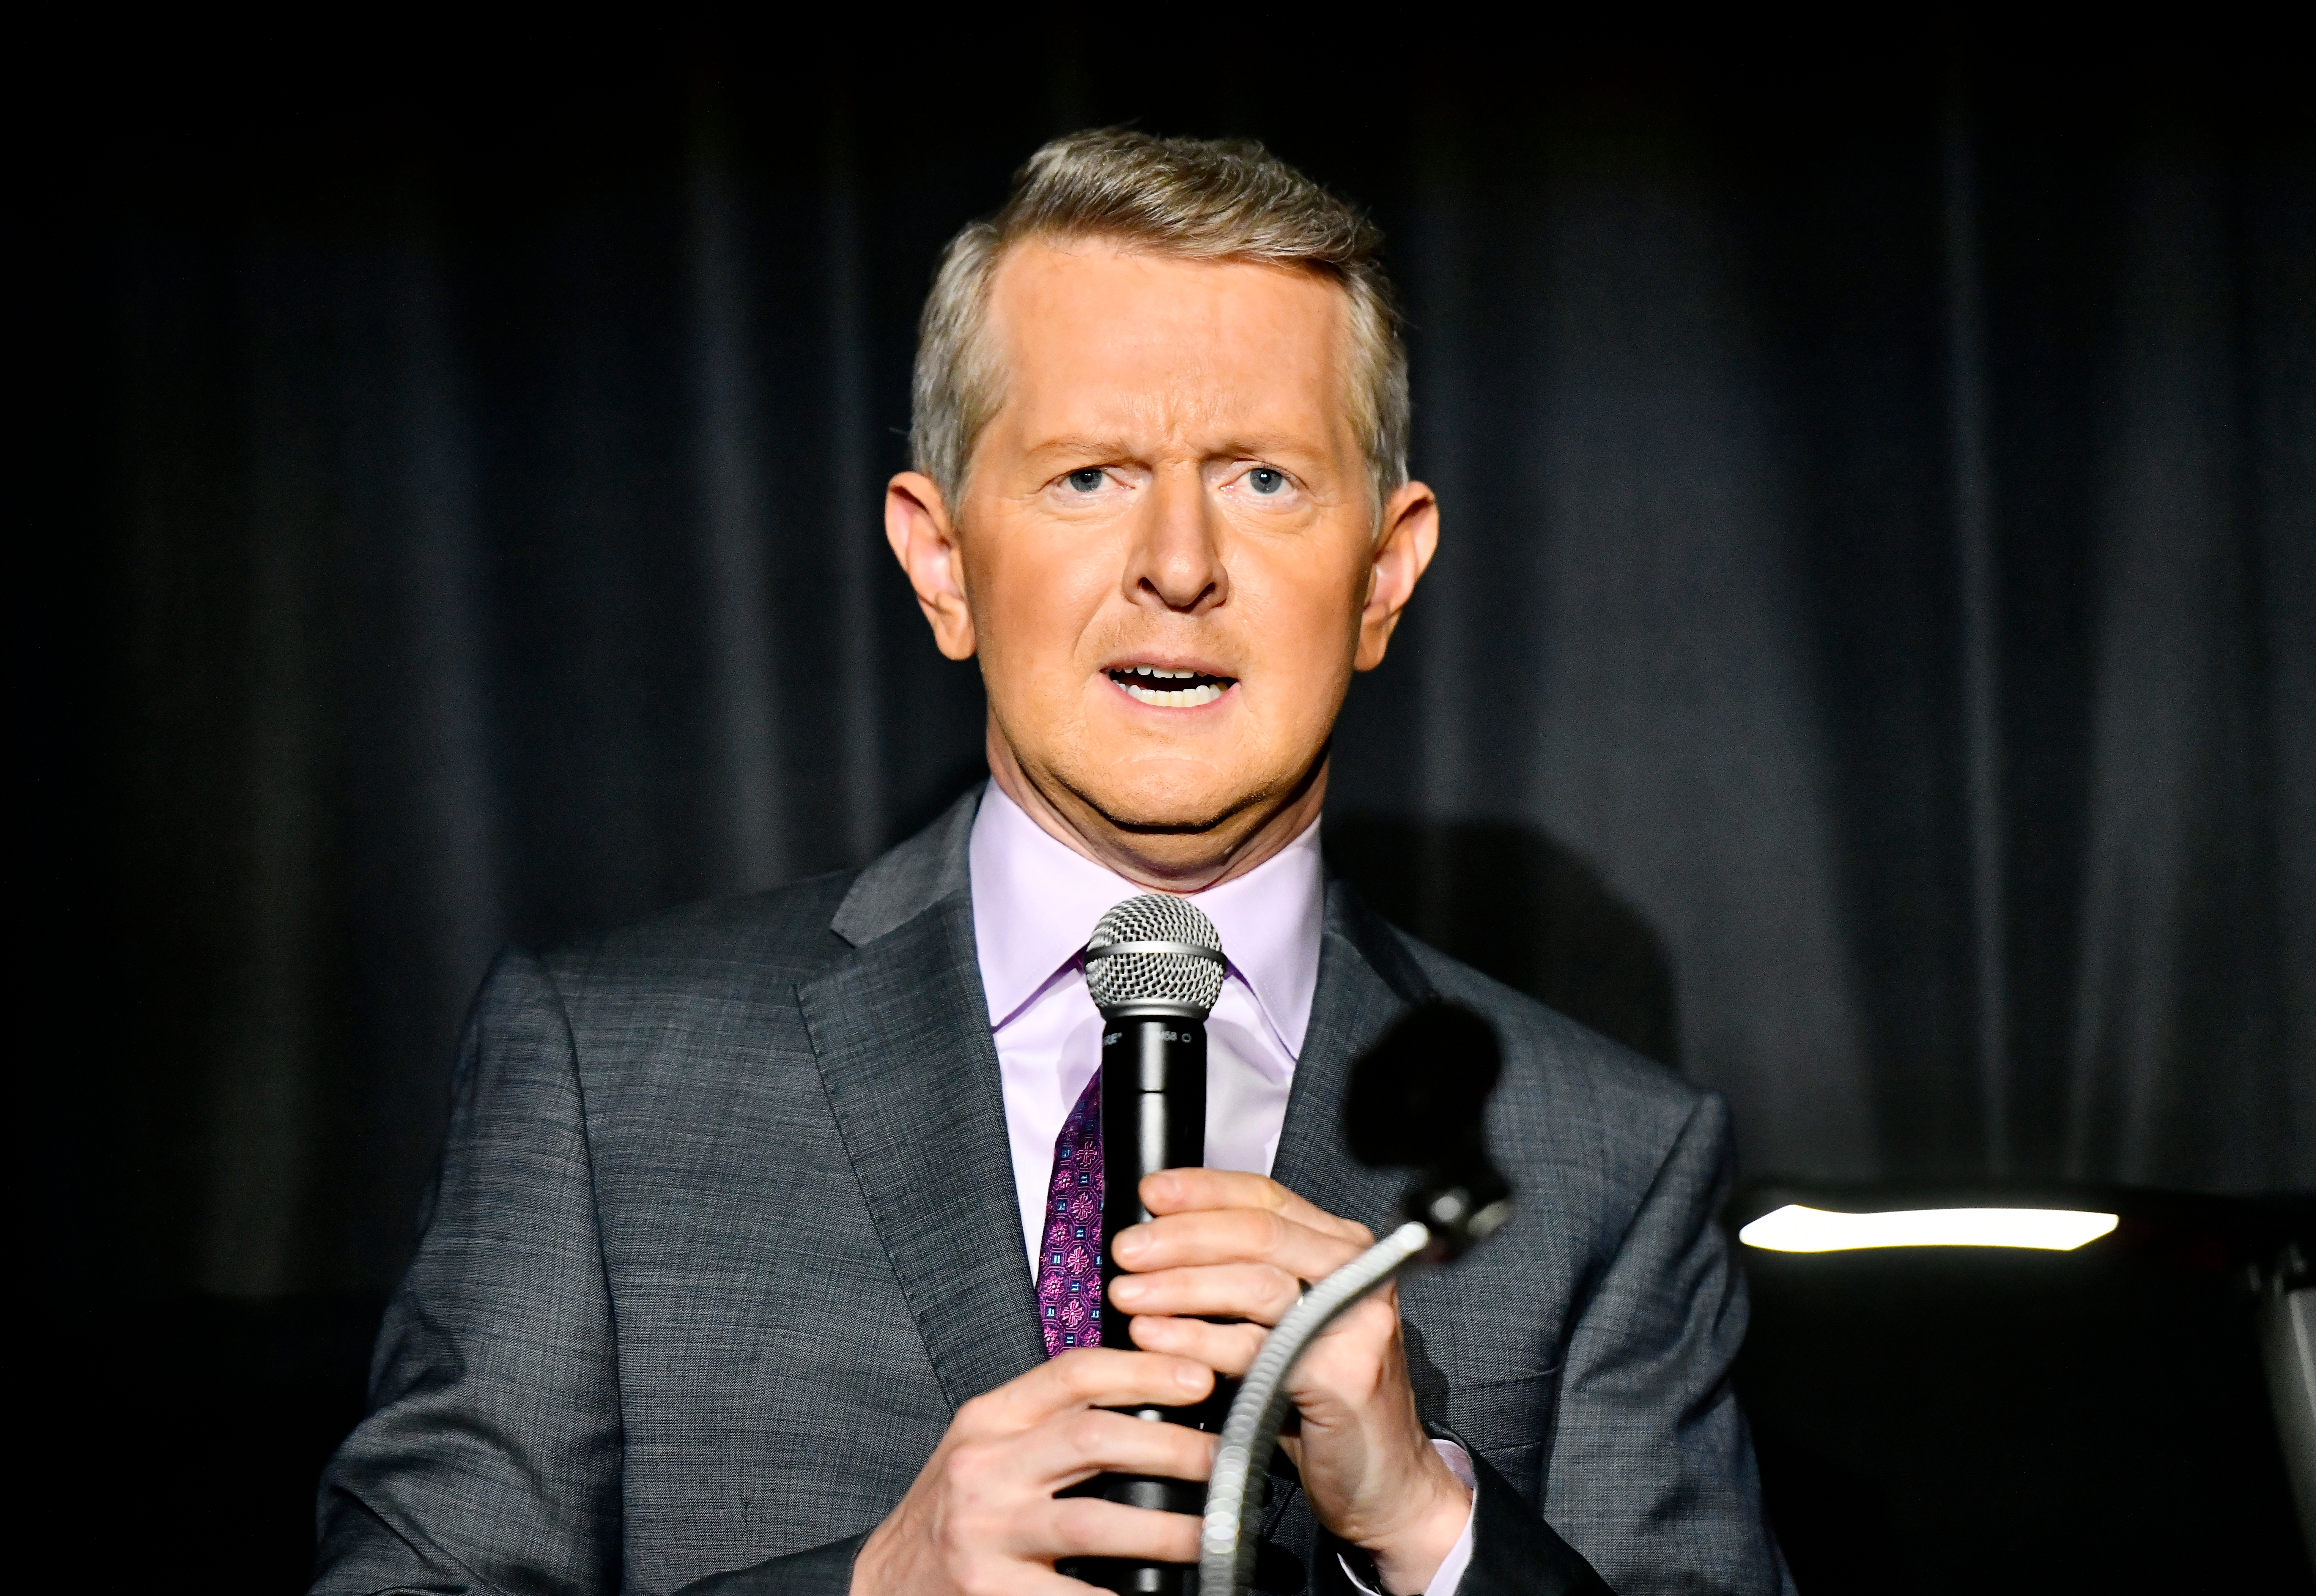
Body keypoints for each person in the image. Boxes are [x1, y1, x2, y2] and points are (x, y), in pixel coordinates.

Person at [314, 130, 1789, 1596]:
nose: (1177, 562)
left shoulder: (1606, 1163)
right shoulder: (601, 1071)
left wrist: (1423, 1519)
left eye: (1264, 479)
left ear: (1385, 575)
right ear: (943, 558)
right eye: (1088, 475)